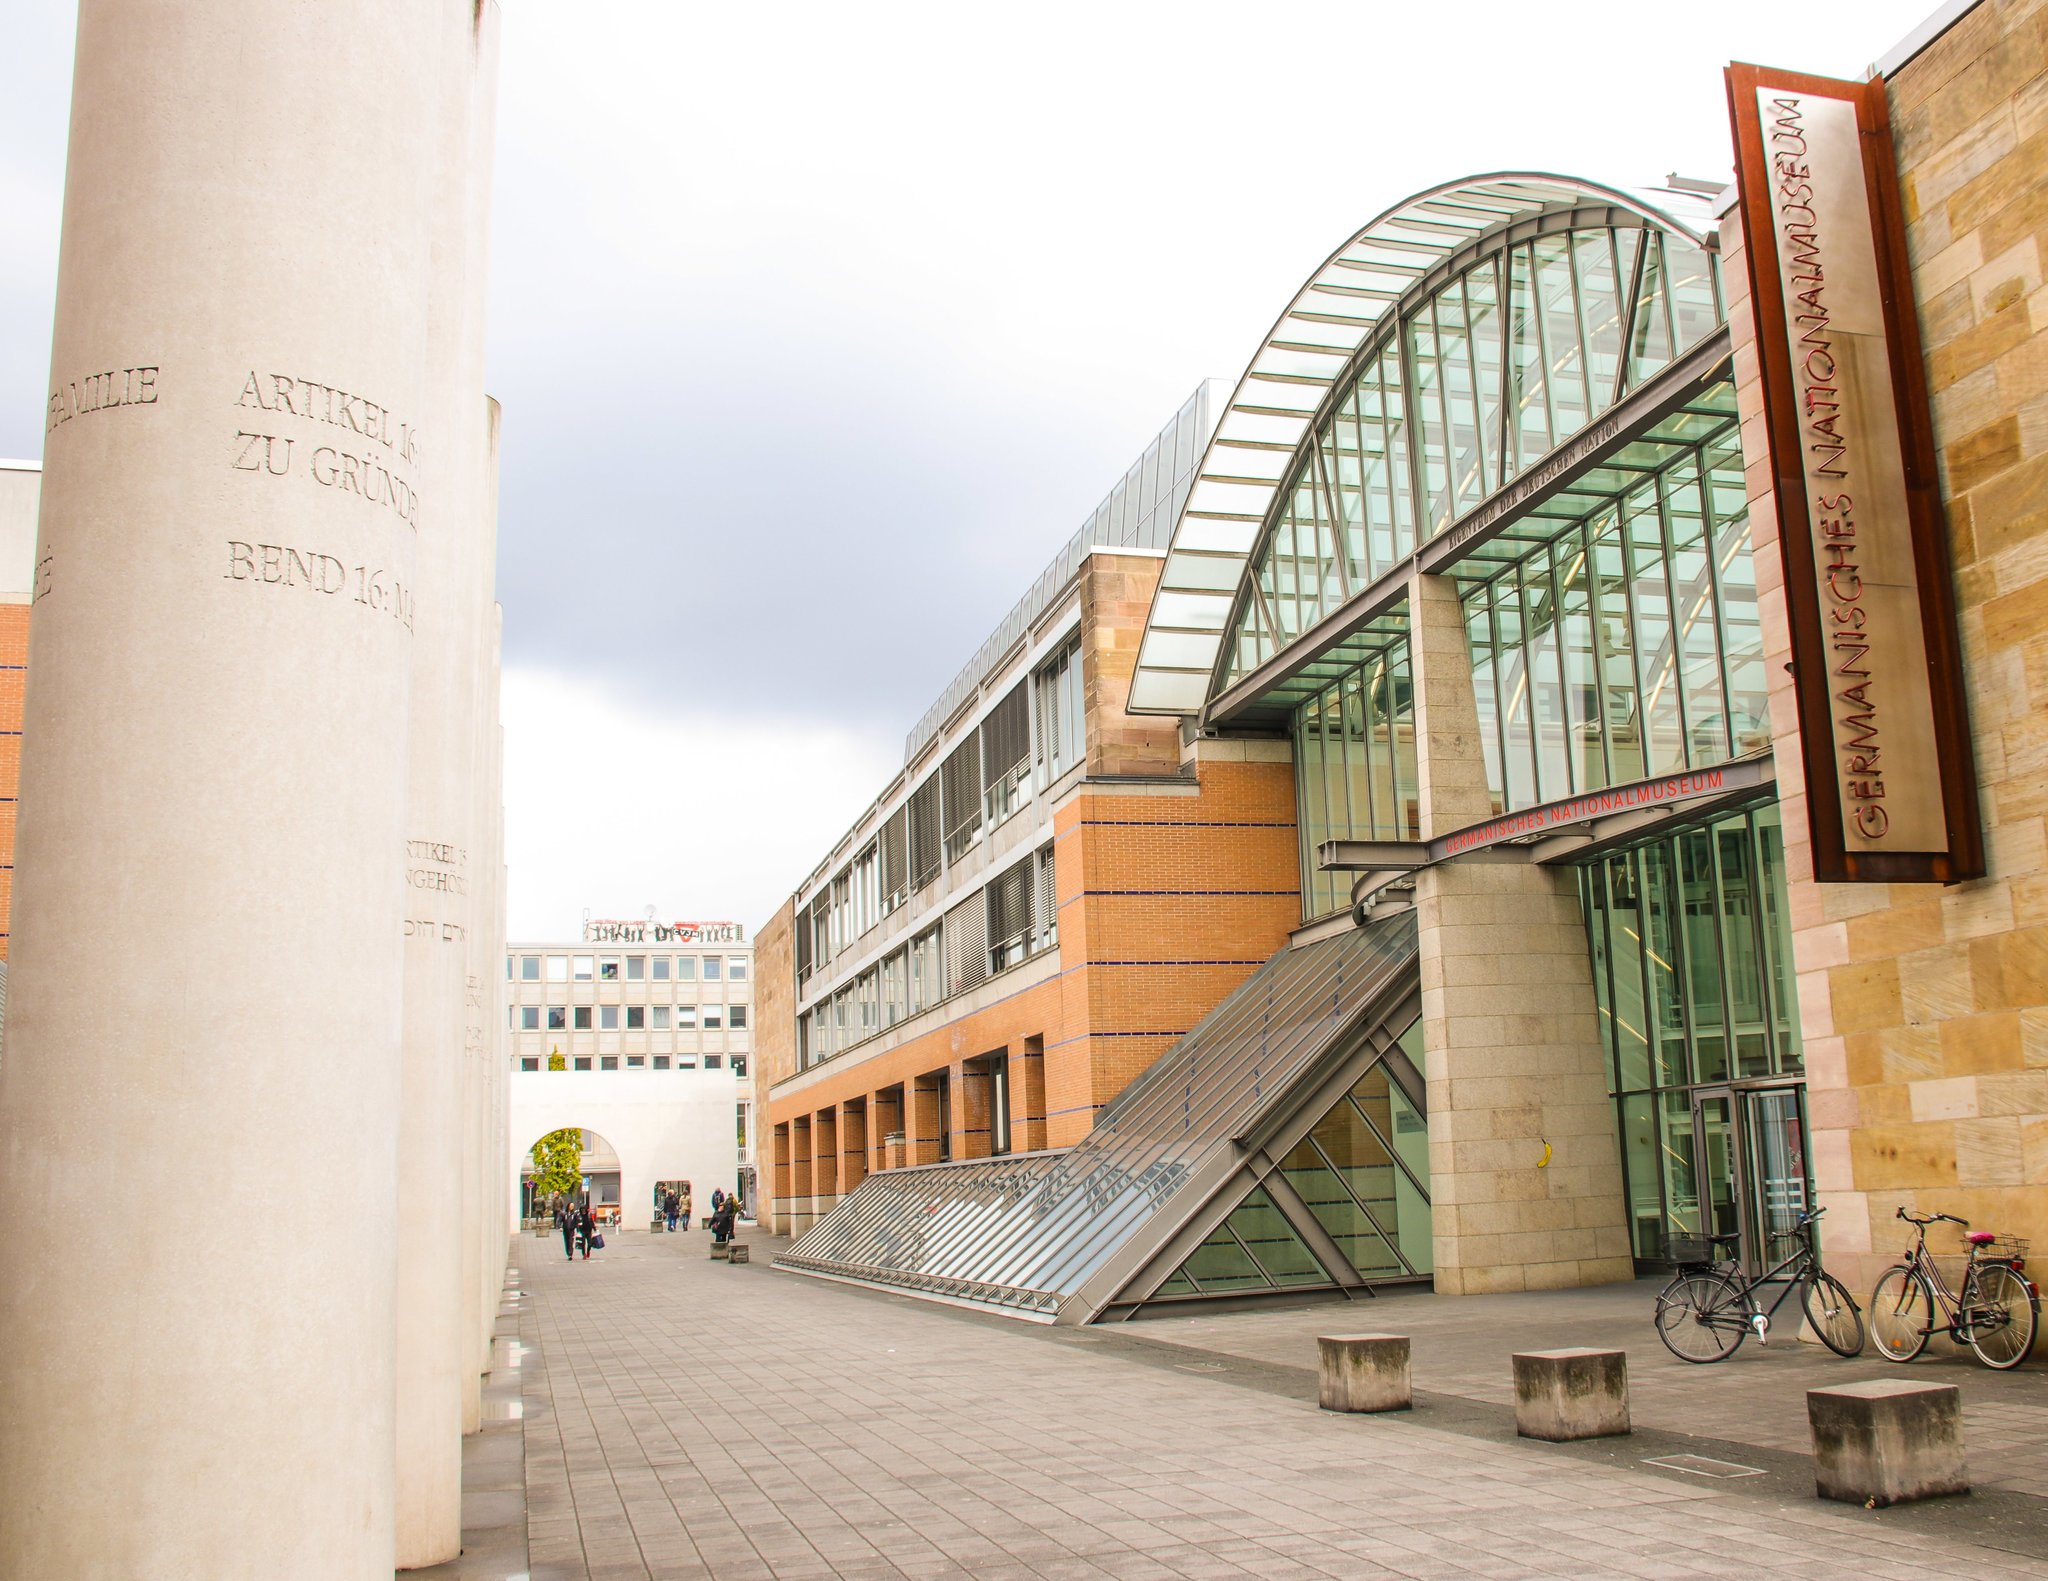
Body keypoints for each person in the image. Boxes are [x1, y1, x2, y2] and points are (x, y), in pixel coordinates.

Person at [555, 1196, 576, 1262]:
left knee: (571, 1241)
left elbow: (577, 1221)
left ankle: (570, 1254)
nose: (572, 1207)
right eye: (571, 1206)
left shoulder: (574, 1214)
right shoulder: (564, 1213)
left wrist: (578, 1229)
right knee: (567, 1242)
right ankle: (568, 1252)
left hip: (572, 1229)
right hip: (565, 1229)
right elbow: (559, 1220)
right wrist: (560, 1227)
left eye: (573, 1206)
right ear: (568, 1206)